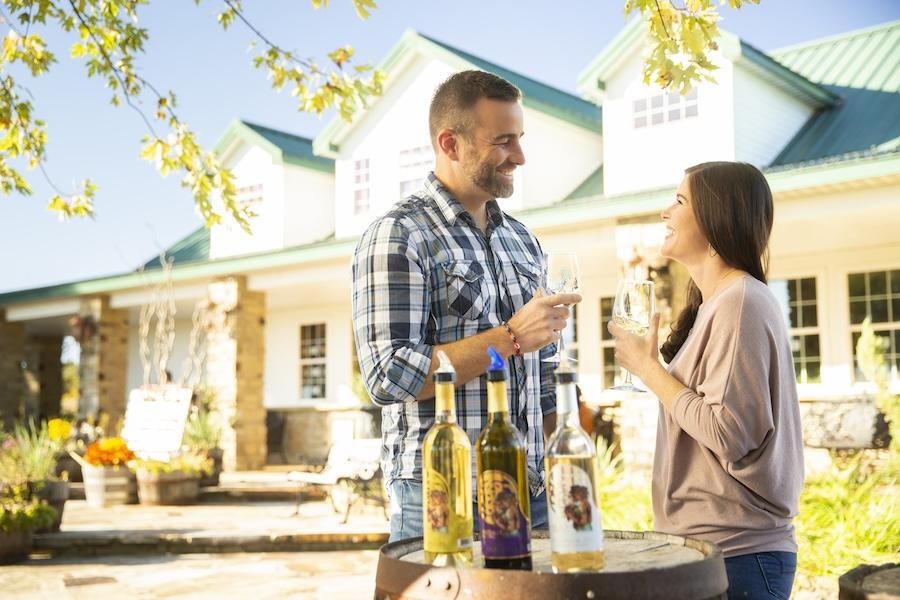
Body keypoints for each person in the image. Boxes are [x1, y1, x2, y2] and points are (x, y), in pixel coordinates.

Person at [352, 70, 581, 543]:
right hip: (443, 490)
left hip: (533, 490)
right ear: (450, 143)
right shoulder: (399, 234)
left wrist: (565, 461)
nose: (519, 157)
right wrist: (510, 338)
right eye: (503, 142)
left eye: (519, 139)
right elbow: (388, 374)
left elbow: (543, 371)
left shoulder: (523, 241)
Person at [609, 161, 804, 599]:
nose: (665, 212)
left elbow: (727, 431)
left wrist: (648, 370)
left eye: (679, 201)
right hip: (713, 552)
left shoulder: (741, 302)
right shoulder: (718, 305)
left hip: (739, 558)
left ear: (716, 219)